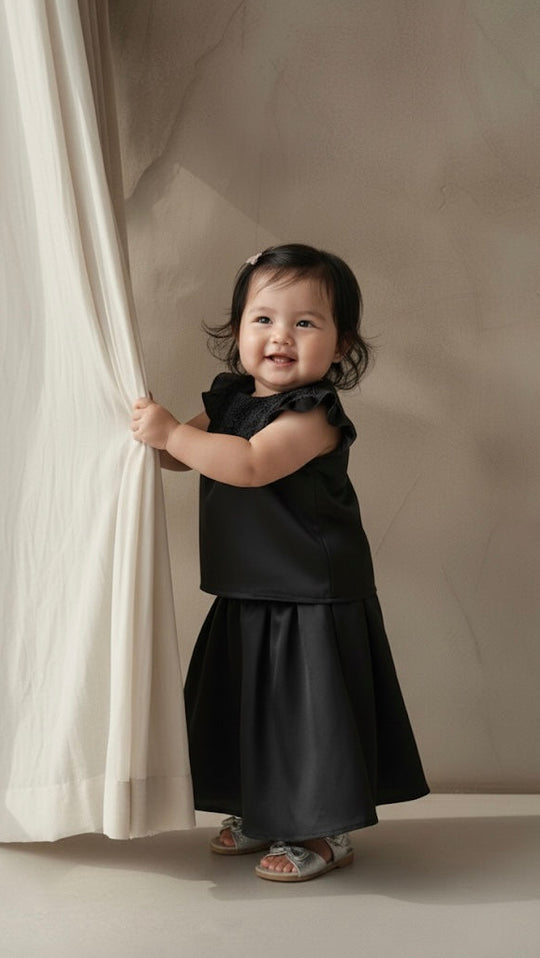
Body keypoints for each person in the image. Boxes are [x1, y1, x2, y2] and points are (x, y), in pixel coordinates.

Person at [131, 243, 429, 883]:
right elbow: (181, 455)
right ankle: (260, 808)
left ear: (341, 344)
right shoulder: (230, 398)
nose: (281, 337)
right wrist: (148, 432)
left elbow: (249, 465)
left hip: (310, 590)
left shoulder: (312, 415)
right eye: (262, 319)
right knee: (250, 703)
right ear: (236, 330)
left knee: (305, 714)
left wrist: (169, 433)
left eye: (305, 322)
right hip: (247, 584)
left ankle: (323, 833)